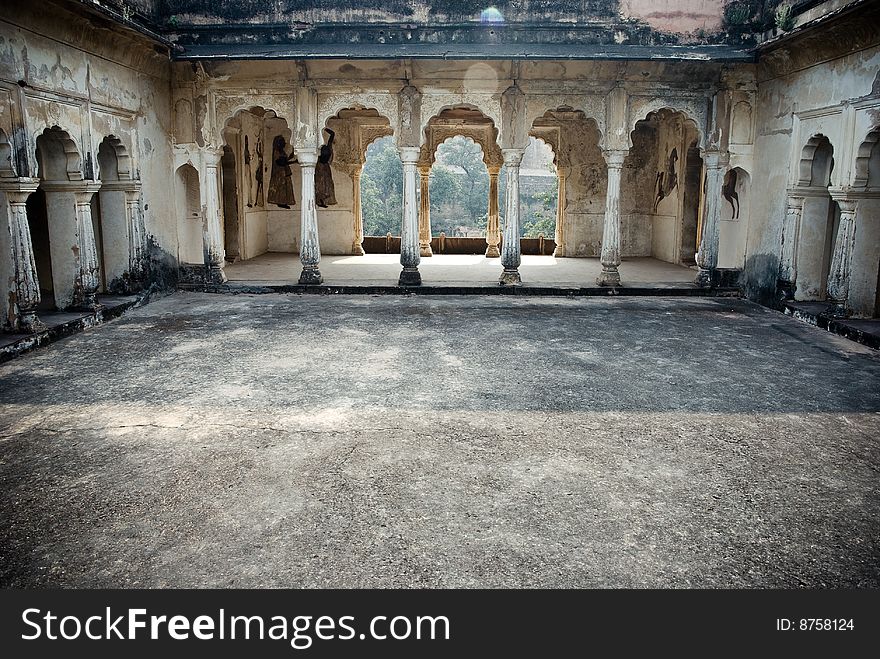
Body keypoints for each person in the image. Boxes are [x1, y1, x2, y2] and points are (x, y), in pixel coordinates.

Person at [267, 135, 296, 208]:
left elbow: (285, 161)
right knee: (281, 188)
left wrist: (291, 157)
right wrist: (293, 162)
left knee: (285, 188)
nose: (284, 143)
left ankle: (283, 202)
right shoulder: (276, 152)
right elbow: (281, 163)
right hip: (279, 173)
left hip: (284, 172)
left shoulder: (282, 152)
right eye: (282, 142)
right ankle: (281, 202)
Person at [315, 128, 337, 208]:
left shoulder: (328, 148)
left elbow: (332, 135)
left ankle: (322, 200)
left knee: (327, 185)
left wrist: (323, 128)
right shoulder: (319, 152)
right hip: (320, 168)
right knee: (320, 186)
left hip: (325, 168)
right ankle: (320, 201)